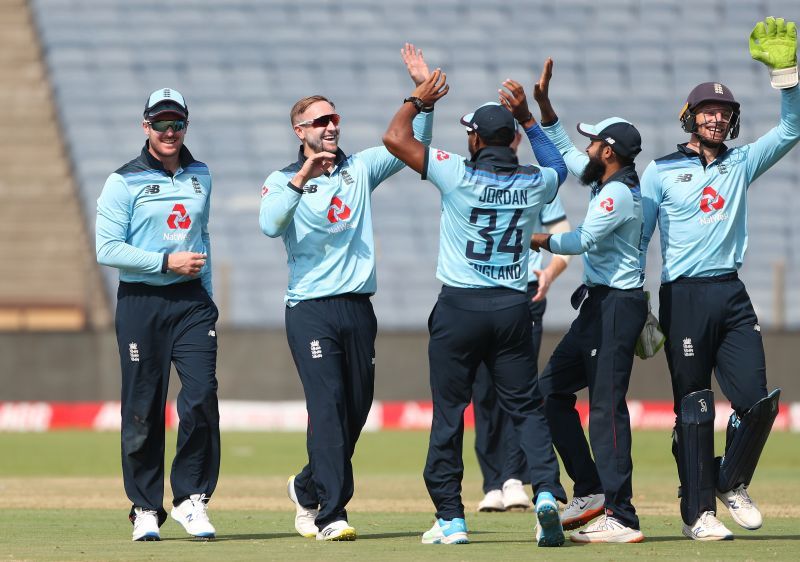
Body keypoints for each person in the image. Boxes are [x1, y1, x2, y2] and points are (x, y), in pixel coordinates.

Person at [383, 69, 569, 547]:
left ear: (475, 140)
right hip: (513, 307)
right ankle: (546, 491)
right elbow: (562, 164)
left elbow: (394, 138)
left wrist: (417, 99)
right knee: (525, 407)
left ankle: (451, 518)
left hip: (460, 307)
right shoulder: (534, 182)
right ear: (510, 141)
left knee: (450, 412)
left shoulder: (456, 170)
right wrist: (530, 117)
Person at [259, 44, 434, 542]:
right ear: (300, 131)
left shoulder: (360, 169)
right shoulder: (280, 179)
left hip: (358, 308)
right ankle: (330, 512)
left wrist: (422, 97)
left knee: (355, 410)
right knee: (329, 404)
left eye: (334, 118)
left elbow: (410, 145)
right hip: (310, 309)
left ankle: (306, 486)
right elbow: (270, 226)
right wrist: (302, 178)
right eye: (319, 121)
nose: (331, 126)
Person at [639, 16, 799, 541]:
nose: (715, 118)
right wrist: (637, 299)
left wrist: (788, 77)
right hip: (682, 296)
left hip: (730, 291)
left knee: (757, 400)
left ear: (732, 121)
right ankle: (697, 513)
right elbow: (638, 239)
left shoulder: (741, 163)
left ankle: (731, 480)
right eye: (707, 110)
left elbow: (794, 128)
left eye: (724, 112)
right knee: (695, 407)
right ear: (690, 116)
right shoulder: (660, 171)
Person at [525, 58, 648, 544]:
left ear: (610, 152)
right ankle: (592, 488)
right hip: (599, 306)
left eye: (595, 142)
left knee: (606, 408)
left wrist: (533, 239)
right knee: (549, 392)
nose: (587, 148)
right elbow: (566, 153)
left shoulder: (618, 194)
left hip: (617, 306)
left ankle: (622, 516)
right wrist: (540, 111)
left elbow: (581, 242)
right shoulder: (605, 178)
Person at [96, 88, 219, 541]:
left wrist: (208, 298)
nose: (170, 132)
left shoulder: (201, 174)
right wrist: (165, 263)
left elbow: (202, 237)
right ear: (145, 126)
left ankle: (191, 499)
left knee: (202, 395)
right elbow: (107, 249)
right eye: (161, 124)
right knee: (143, 408)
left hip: (191, 305)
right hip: (141, 303)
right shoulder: (121, 180)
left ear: (186, 125)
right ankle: (145, 507)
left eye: (177, 124)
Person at [474, 126, 572, 513]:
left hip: (523, 293)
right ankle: (491, 482)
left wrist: (550, 272)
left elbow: (562, 236)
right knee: (483, 392)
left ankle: (514, 478)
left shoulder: (533, 181)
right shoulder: (470, 177)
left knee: (518, 388)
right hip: (479, 294)